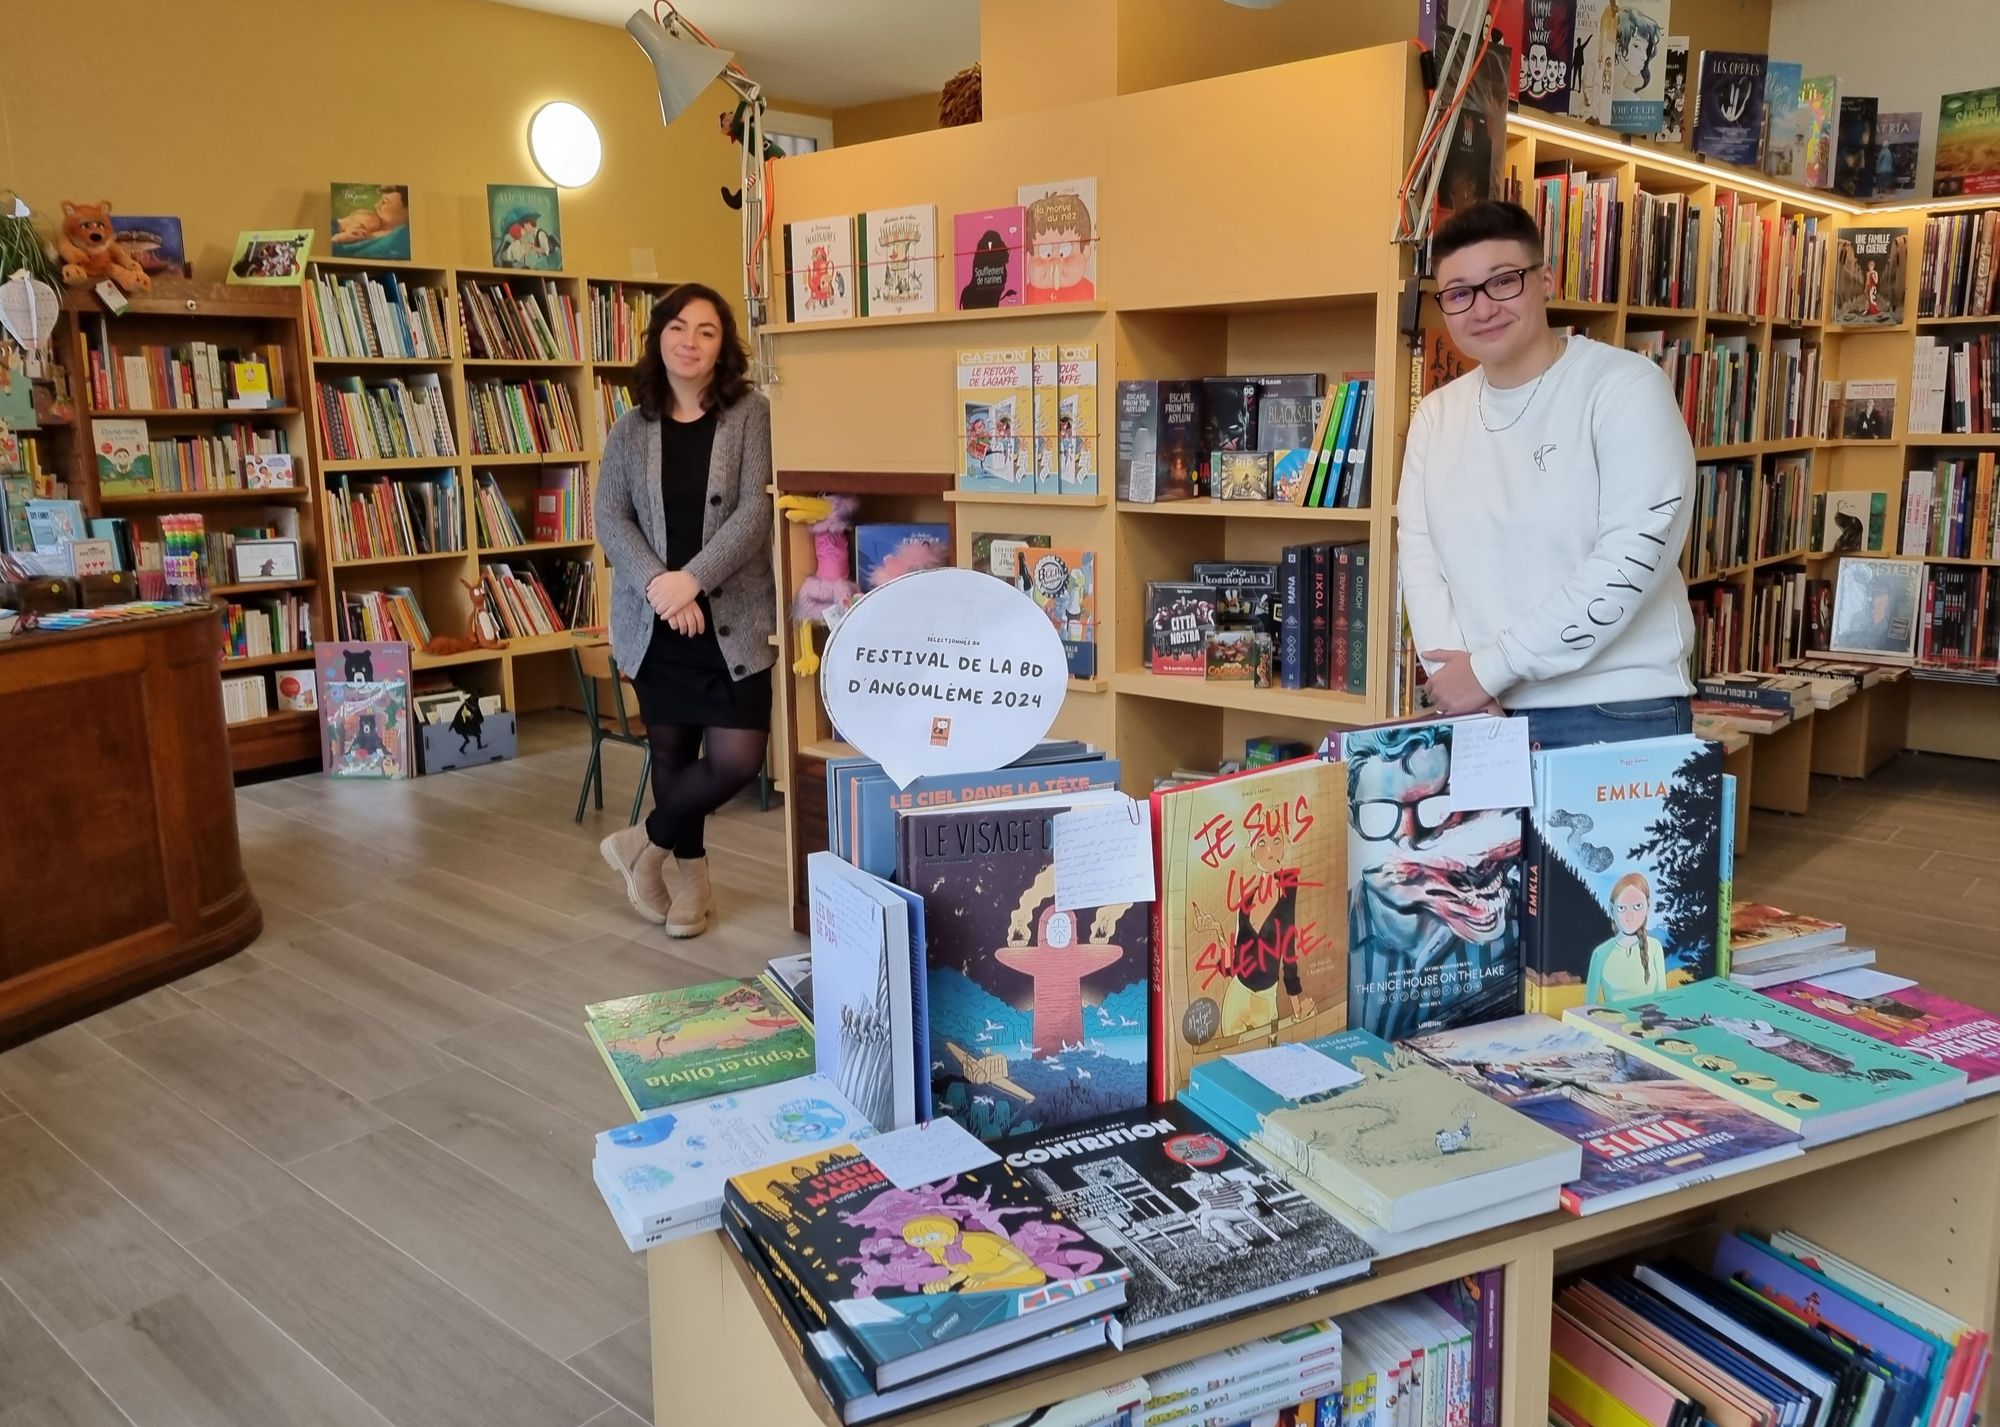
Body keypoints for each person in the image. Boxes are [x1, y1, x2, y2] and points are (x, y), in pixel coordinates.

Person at [1399, 200, 1697, 750]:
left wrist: (1491, 668)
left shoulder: (1625, 388)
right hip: (1481, 714)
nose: (1482, 308)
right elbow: (1419, 558)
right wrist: (1461, 684)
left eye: (1503, 281)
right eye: (1459, 293)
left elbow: (1633, 555)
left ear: (1545, 281)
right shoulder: (1435, 415)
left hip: (1614, 710)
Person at [596, 283, 775, 939]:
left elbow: (756, 512)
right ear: (658, 338)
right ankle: (688, 883)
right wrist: (661, 588)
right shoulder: (630, 427)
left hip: (735, 621)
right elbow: (610, 517)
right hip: (656, 624)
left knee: (735, 759)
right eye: (678, 327)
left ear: (722, 344)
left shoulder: (752, 413)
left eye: (706, 330)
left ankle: (641, 842)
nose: (690, 342)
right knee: (672, 757)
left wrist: (693, 581)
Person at [1585, 872, 1669, 1004]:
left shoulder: (1654, 948)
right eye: (1622, 908)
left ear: (1648, 906)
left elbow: (1663, 999)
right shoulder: (1600, 953)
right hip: (1612, 1023)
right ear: (1611, 910)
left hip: (1651, 1022)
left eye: (1637, 907)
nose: (1629, 916)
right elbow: (1588, 1006)